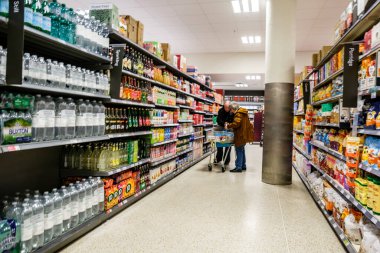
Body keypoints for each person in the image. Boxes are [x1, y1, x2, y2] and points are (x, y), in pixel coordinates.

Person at [225, 103, 254, 173]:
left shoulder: (238, 114)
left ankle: (238, 167)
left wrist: (228, 126)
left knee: (239, 151)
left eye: (231, 109)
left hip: (240, 135)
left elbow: (236, 124)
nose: (231, 111)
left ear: (233, 109)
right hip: (243, 134)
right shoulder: (243, 112)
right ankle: (243, 165)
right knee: (242, 150)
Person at [215, 101, 233, 165]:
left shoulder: (232, 111)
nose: (226, 109)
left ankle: (226, 160)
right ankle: (218, 158)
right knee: (219, 143)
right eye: (225, 107)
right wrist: (224, 124)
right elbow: (218, 120)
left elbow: (233, 120)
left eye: (228, 107)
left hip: (229, 128)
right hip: (221, 127)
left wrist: (228, 124)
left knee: (228, 145)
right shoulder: (220, 111)